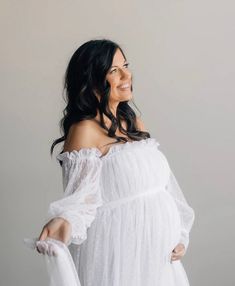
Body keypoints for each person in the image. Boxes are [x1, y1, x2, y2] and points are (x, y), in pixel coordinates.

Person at [36, 39, 195, 285]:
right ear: (92, 81)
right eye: (113, 70)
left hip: (159, 259)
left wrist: (180, 232)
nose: (126, 74)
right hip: (118, 254)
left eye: (125, 65)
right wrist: (64, 220)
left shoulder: (134, 124)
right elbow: (82, 198)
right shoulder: (84, 130)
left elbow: (163, 185)